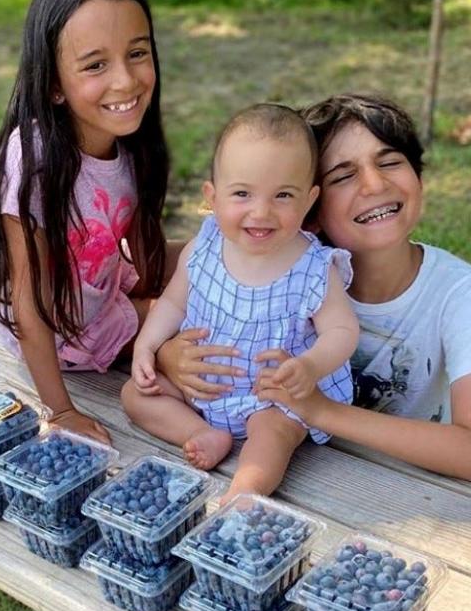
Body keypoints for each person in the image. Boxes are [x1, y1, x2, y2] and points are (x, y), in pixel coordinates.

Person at [133, 94, 471, 611]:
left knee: (329, 602)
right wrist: (162, 354)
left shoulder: (455, 290)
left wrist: (323, 411)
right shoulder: (266, 248)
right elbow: (172, 287)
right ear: (315, 203)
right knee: (241, 556)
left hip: (396, 489)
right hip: (268, 443)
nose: (372, 186)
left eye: (390, 162)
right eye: (344, 175)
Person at [122, 103, 359, 501]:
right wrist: (147, 346)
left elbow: (342, 330)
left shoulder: (313, 267)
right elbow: (174, 302)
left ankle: (244, 493)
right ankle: (200, 433)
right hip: (201, 386)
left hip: (272, 396)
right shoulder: (207, 244)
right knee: (135, 394)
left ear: (308, 200)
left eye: (283, 195)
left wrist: (309, 365)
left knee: (274, 433)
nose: (261, 212)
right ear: (212, 197)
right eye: (242, 194)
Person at [0, 0, 178, 446]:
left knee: (219, 255)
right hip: (57, 326)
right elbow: (29, 302)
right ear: (53, 84)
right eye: (95, 65)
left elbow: (142, 244)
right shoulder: (35, 162)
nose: (126, 81)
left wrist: (161, 293)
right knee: (192, 335)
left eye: (137, 53)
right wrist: (60, 410)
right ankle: (164, 355)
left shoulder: (132, 143)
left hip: (99, 284)